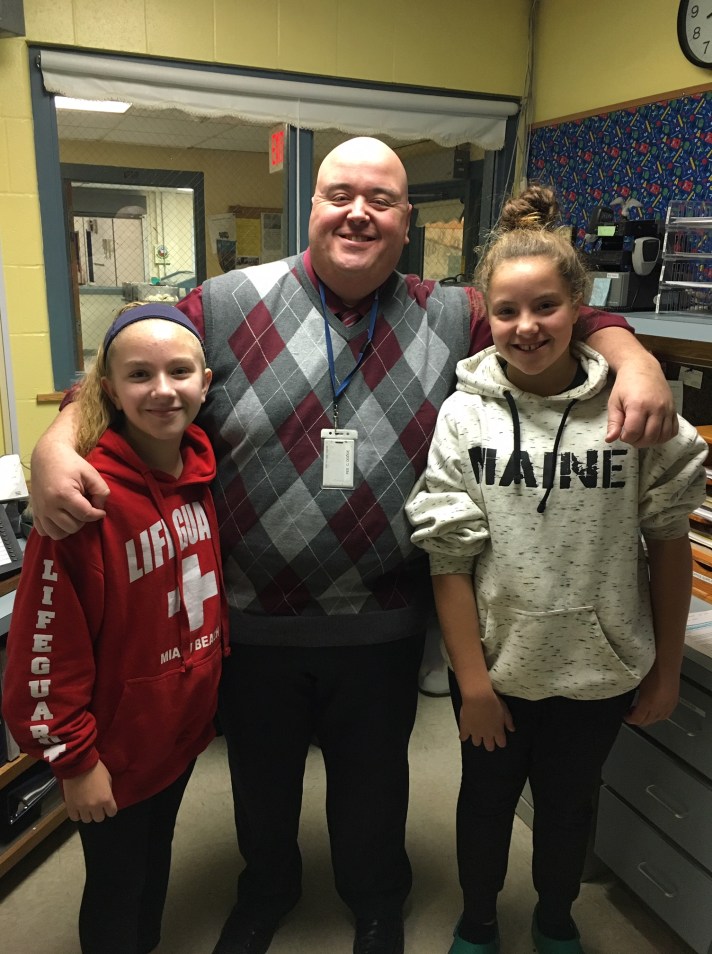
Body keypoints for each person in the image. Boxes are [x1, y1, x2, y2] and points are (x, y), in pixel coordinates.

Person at [28, 139, 678, 954]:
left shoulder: (453, 312)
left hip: (382, 614)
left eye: (382, 198)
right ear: (312, 206)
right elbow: (128, 357)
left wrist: (634, 357)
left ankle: (378, 900)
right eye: (341, 193)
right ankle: (266, 892)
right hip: (253, 618)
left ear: (408, 221)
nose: (359, 212)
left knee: (375, 785)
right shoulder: (228, 303)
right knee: (260, 787)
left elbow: (562, 310)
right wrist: (58, 444)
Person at [405, 186, 707, 954]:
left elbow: (669, 543)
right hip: (497, 670)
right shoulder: (464, 413)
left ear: (581, 304)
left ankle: (554, 919)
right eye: (507, 312)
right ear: (485, 312)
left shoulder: (633, 411)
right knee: (483, 808)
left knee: (571, 810)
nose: (526, 326)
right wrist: (470, 683)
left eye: (545, 306)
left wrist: (665, 668)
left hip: (600, 669)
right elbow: (449, 557)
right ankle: (478, 922)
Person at [3, 302, 228, 954]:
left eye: (179, 371)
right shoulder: (80, 499)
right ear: (108, 390)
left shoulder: (200, 474)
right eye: (139, 375)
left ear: (205, 383)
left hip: (176, 734)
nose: (162, 390)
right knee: (115, 886)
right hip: (110, 752)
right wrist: (73, 762)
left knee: (154, 862)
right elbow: (44, 654)